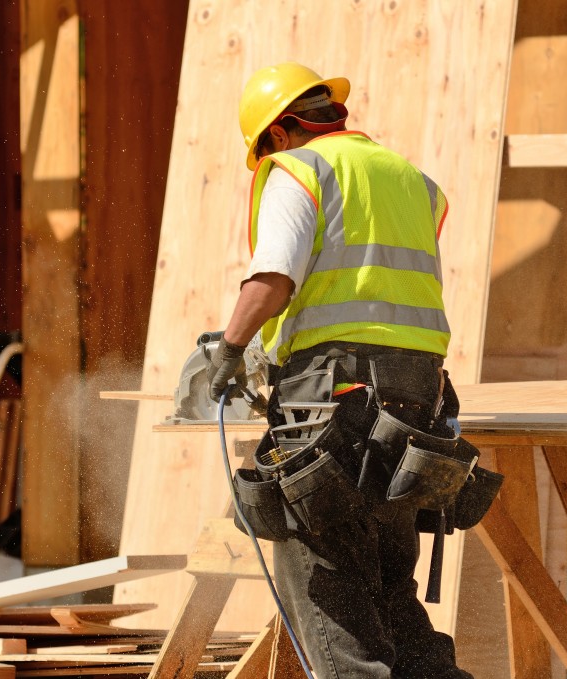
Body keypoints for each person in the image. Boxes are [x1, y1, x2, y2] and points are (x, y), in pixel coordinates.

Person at [208, 63, 485, 678]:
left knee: (329, 588)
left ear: (278, 133)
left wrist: (230, 347)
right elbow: (367, 288)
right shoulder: (410, 179)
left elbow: (276, 277)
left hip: (333, 396)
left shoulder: (299, 172)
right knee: (389, 586)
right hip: (416, 396)